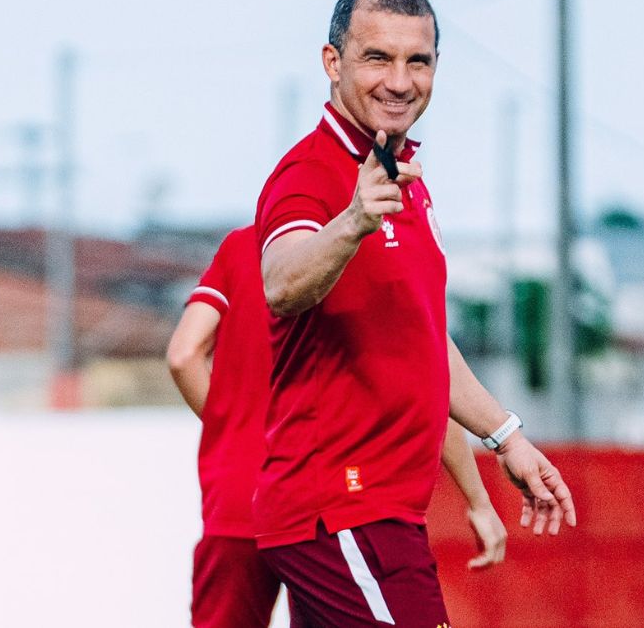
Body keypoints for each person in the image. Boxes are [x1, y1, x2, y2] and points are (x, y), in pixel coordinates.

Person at [253, 0, 576, 625]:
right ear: (333, 63)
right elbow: (280, 282)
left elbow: (420, 345)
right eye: (378, 57)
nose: (400, 80)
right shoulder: (312, 174)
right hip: (339, 508)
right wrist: (349, 223)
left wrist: (505, 437)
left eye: (417, 60)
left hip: (380, 511)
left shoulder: (402, 178)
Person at [167, 225, 512, 628]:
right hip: (320, 501)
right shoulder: (373, 253)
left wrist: (235, 432)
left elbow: (183, 355)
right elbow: (426, 381)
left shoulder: (244, 245)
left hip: (238, 497)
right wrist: (478, 499)